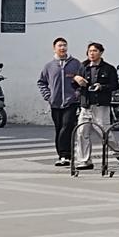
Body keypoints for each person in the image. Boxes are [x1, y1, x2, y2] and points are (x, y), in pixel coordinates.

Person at [72, 42, 119, 170]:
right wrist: (78, 81)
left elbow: (115, 86)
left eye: (95, 51)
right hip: (86, 104)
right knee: (82, 132)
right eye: (90, 51)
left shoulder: (108, 68)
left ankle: (117, 152)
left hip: (101, 105)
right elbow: (74, 85)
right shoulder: (83, 67)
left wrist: (101, 87)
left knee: (103, 131)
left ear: (100, 52)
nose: (92, 53)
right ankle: (84, 161)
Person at [37, 37, 82, 167]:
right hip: (55, 103)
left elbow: (82, 80)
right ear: (54, 48)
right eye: (60, 46)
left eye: (64, 45)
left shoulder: (75, 64)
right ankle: (62, 155)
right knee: (59, 128)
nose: (62, 48)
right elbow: (41, 82)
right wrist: (48, 96)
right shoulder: (49, 66)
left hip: (71, 102)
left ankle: (65, 154)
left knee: (67, 126)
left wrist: (77, 94)